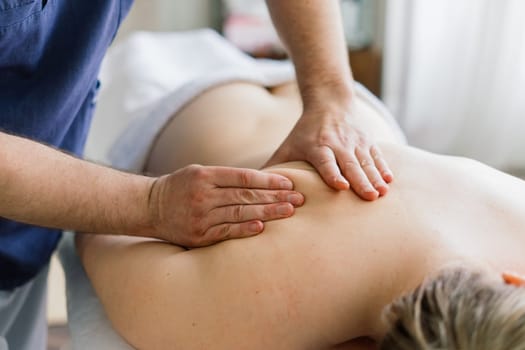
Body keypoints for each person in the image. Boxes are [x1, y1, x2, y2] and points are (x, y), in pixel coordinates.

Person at [0, 1, 391, 348]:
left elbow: (95, 240)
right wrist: (148, 205)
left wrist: (330, 95)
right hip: (166, 100)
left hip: (325, 103)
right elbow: (94, 237)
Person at [75, 74, 525, 349]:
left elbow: (97, 222)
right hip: (189, 97)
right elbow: (92, 230)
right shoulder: (225, 316)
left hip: (343, 99)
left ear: (514, 282)